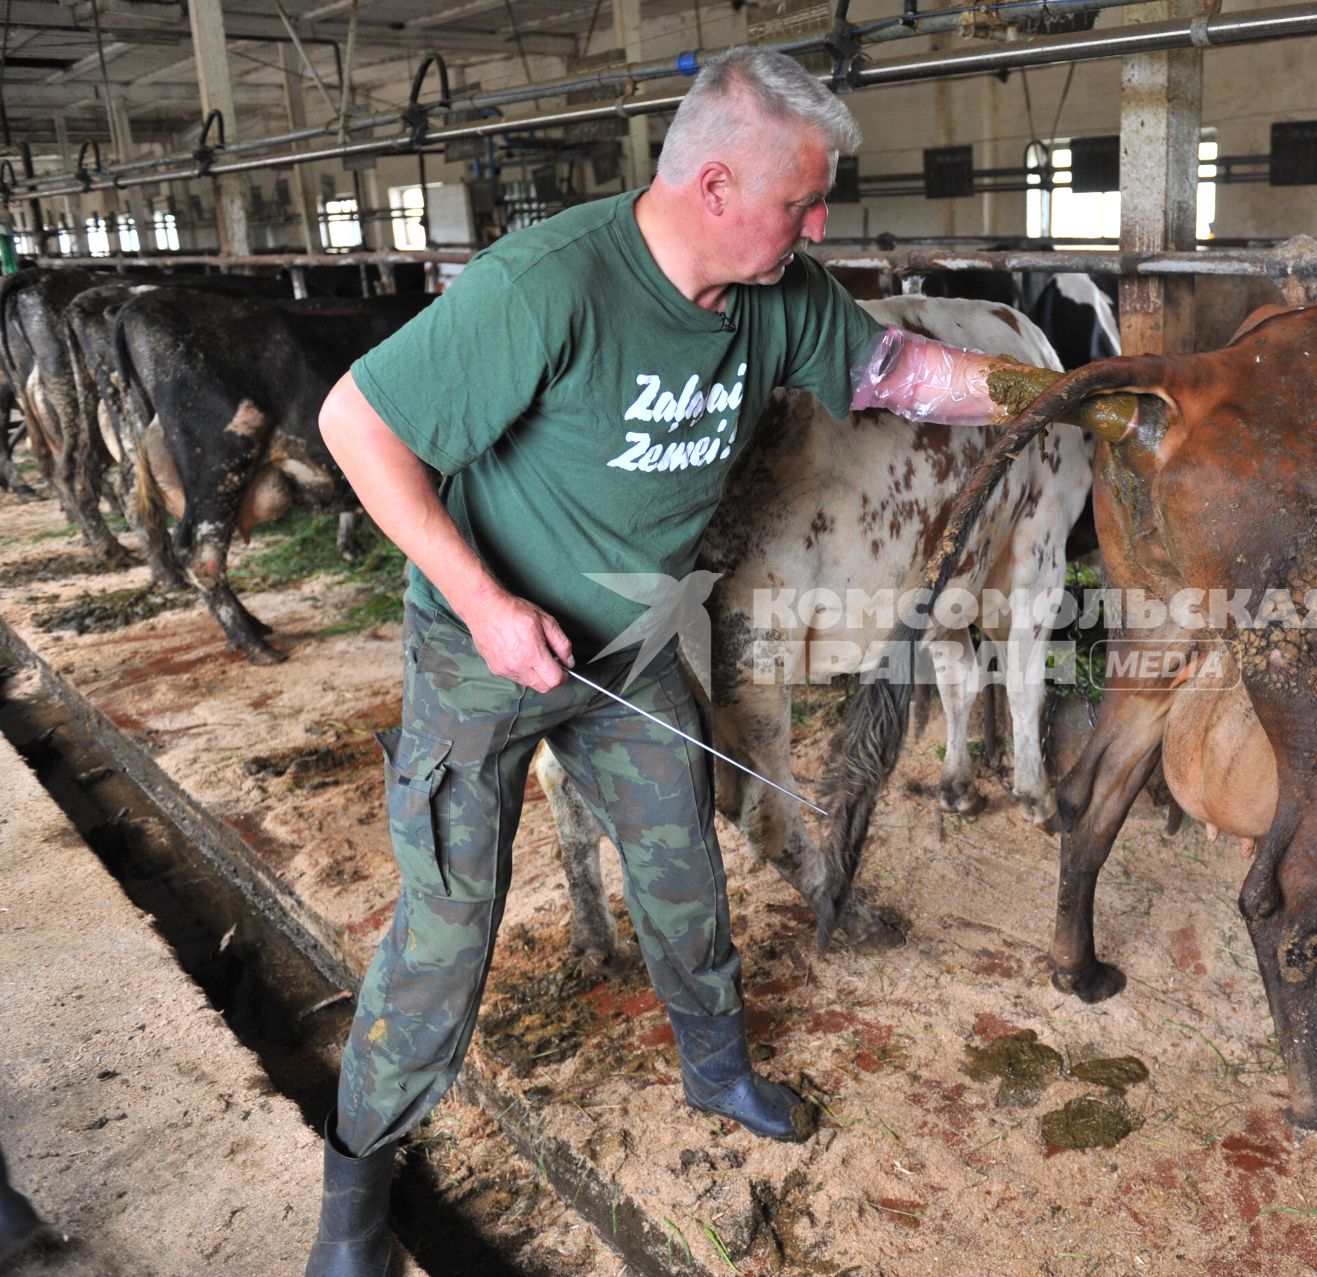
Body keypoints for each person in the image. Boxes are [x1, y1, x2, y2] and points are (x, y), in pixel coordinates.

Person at [303, 46, 1112, 1277]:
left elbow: (897, 371)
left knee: (684, 863)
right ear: (718, 185)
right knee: (448, 923)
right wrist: (483, 603)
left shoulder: (781, 292)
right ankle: (357, 1195)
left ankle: (719, 1067)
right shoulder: (550, 284)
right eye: (803, 200)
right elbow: (355, 424)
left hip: (628, 655)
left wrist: (1060, 395)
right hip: (483, 649)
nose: (819, 222)